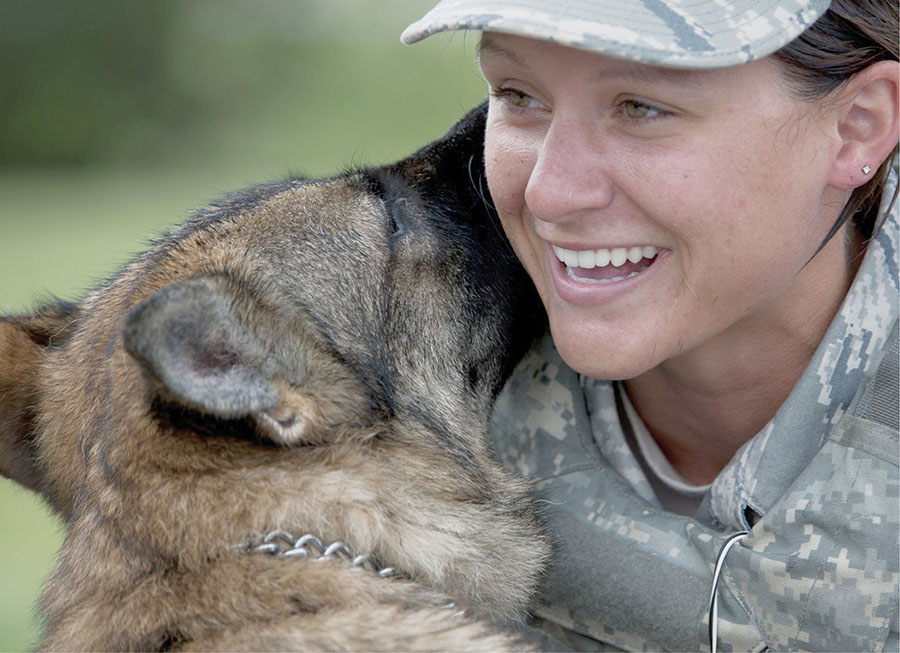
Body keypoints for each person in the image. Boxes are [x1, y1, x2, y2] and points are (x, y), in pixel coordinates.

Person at [402, 1, 899, 651]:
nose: (550, 193)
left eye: (640, 107)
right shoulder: (381, 404)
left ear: (858, 128)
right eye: (519, 95)